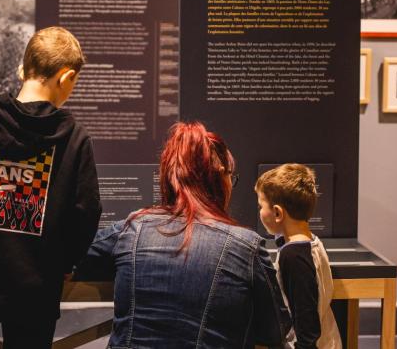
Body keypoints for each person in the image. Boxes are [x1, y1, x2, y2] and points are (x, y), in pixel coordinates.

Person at [0, 26, 102, 349]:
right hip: (35, 290)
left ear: (23, 69)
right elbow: (86, 214)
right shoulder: (74, 140)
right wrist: (65, 263)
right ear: (66, 78)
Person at [85, 122, 291, 348]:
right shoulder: (246, 246)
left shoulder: (133, 228)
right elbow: (276, 331)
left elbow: (70, 254)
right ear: (220, 176)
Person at [256, 163, 342, 349]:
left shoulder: (293, 257)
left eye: (260, 205)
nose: (260, 212)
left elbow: (306, 322)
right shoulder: (312, 243)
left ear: (277, 212)